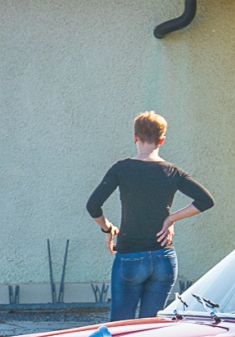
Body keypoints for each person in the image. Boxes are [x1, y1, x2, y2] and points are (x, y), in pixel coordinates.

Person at [87, 111, 214, 321]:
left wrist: (107, 228)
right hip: (164, 258)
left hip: (130, 256)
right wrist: (171, 218)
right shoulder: (173, 172)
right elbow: (206, 200)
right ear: (162, 140)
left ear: (135, 136)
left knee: (121, 327)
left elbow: (93, 206)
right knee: (151, 329)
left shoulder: (122, 169)